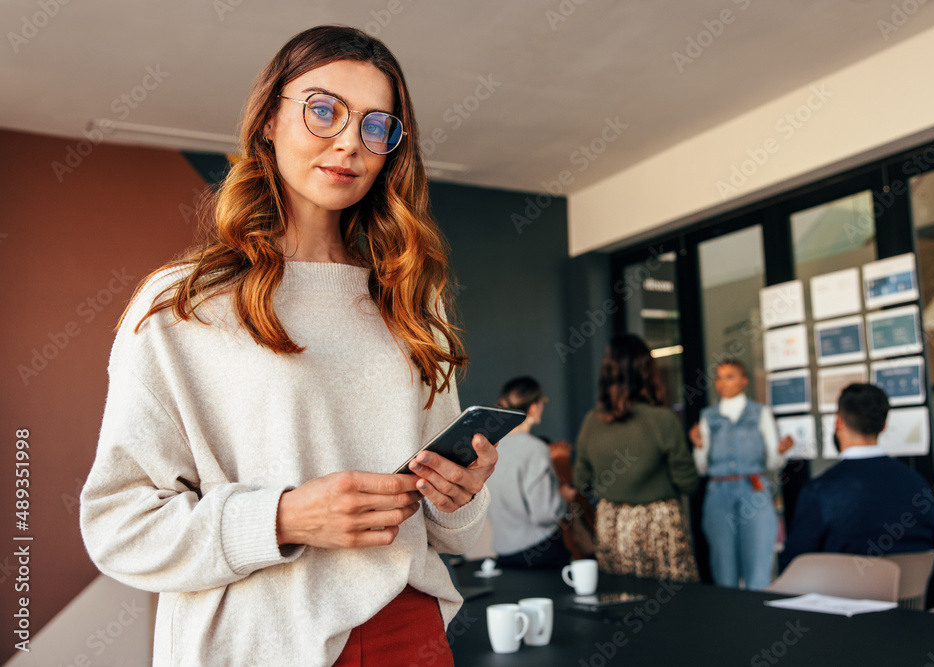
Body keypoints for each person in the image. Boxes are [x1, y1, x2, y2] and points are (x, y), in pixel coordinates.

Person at [79, 26, 496, 667]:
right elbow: (118, 525)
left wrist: (459, 494)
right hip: (260, 645)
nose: (349, 143)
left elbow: (446, 524)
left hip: (409, 630)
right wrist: (283, 518)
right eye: (323, 110)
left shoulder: (412, 300)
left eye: (376, 126)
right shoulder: (181, 303)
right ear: (269, 119)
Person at [573, 334, 700, 581]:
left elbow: (581, 480)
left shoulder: (592, 421)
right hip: (659, 523)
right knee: (674, 607)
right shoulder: (662, 420)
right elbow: (688, 483)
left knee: (620, 601)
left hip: (612, 525)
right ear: (647, 372)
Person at [778, 383, 934, 570]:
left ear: (839, 422)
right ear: (884, 426)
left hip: (843, 597)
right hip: (908, 598)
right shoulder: (918, 484)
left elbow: (793, 566)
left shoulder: (820, 491)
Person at [689, 358, 794, 590]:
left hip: (753, 488)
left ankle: (758, 618)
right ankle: (727, 620)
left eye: (730, 376)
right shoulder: (708, 416)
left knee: (759, 559)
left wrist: (781, 452)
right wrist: (697, 446)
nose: (723, 383)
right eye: (718, 377)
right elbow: (701, 469)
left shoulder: (760, 413)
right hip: (719, 491)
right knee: (722, 561)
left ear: (744, 380)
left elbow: (773, 463)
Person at [486, 377, 574, 568]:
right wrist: (564, 498)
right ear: (533, 408)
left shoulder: (489, 449)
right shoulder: (535, 449)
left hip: (504, 555)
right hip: (542, 554)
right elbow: (544, 514)